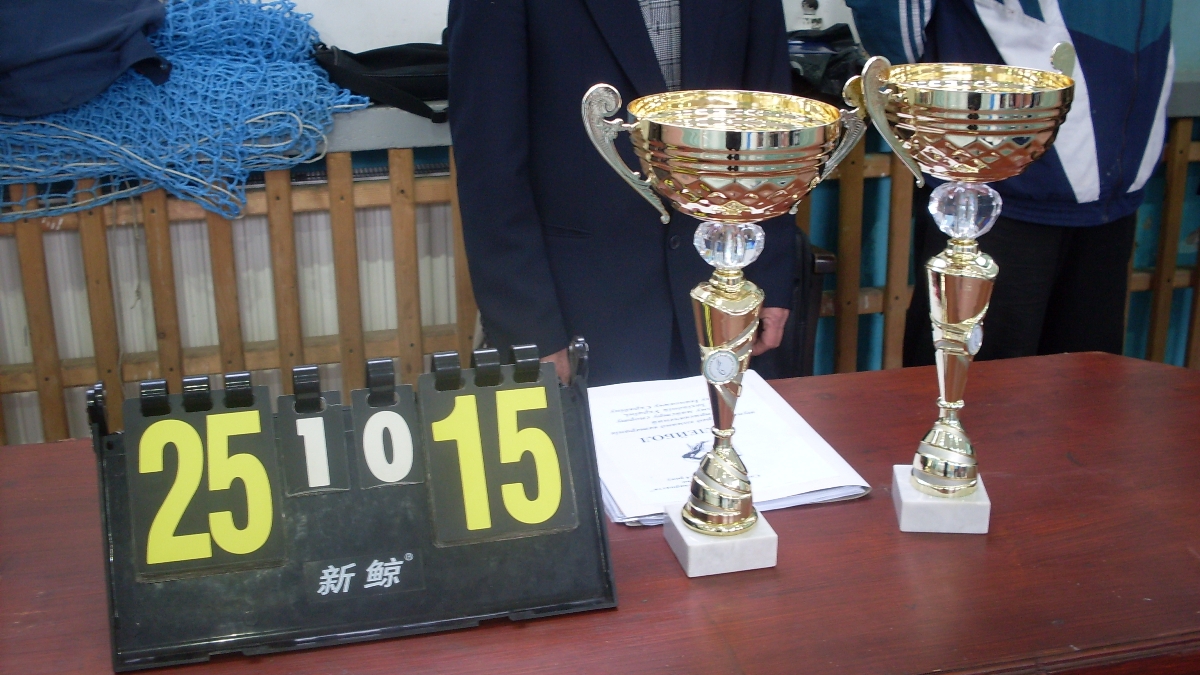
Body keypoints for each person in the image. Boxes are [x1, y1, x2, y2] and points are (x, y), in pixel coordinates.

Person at [447, 0, 799, 386]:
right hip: (580, 312)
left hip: (727, 293)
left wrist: (771, 276)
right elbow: (489, 166)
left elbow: (774, 121)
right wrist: (530, 335)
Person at [846, 0, 1175, 363]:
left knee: (1088, 382)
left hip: (1119, 179)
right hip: (994, 173)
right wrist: (941, 111)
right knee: (974, 379)